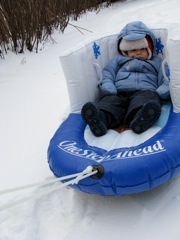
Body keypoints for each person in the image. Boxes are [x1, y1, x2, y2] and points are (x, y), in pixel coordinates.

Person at [81, 21, 170, 136]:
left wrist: (162, 90)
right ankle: (100, 119)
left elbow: (165, 77)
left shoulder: (156, 62)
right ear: (125, 51)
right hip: (119, 92)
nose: (137, 52)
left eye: (142, 49)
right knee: (110, 103)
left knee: (146, 101)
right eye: (133, 50)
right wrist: (109, 86)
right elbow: (108, 72)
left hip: (145, 91)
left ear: (149, 48)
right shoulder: (118, 60)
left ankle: (140, 119)